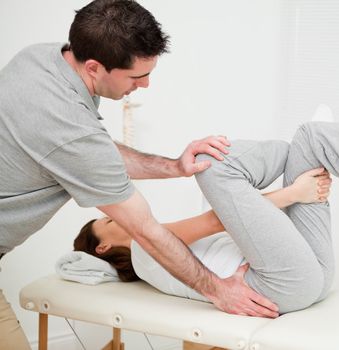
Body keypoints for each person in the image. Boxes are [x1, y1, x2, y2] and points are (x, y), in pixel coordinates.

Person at [0, 1, 277, 349]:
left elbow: (94, 151)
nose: (145, 84)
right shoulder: (68, 128)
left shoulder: (40, 60)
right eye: (136, 76)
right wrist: (219, 291)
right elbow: (144, 231)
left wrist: (175, 167)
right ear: (94, 67)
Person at [74, 89, 339, 313]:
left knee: (310, 138)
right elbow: (215, 220)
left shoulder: (156, 247)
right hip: (280, 284)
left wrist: (294, 188)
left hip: (304, 274)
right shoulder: (149, 251)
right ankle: (317, 147)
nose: (114, 215)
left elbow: (241, 217)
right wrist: (295, 193)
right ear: (105, 246)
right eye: (107, 223)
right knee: (209, 163)